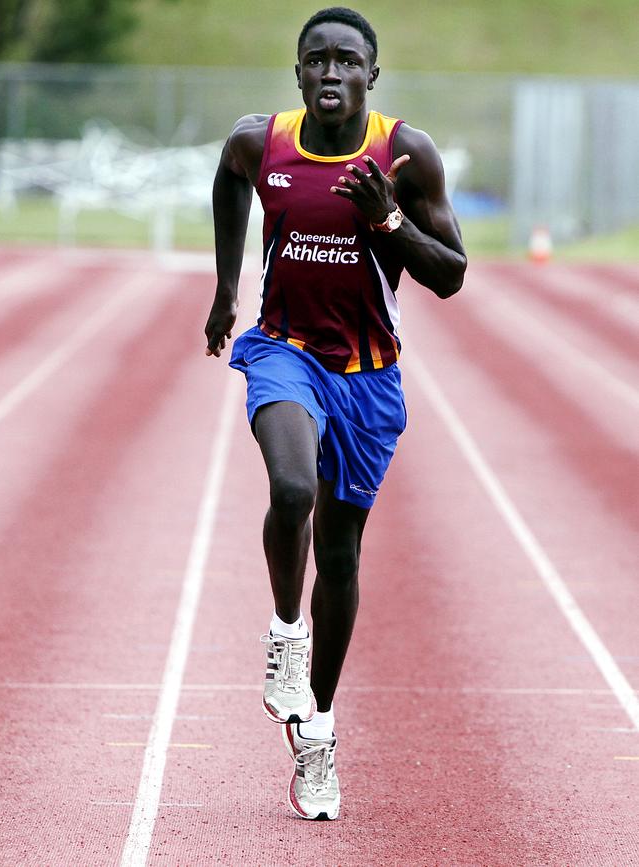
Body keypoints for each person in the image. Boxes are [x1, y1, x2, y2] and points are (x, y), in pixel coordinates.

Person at [204, 6, 466, 820]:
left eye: (346, 61)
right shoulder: (263, 143)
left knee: (342, 555)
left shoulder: (403, 153)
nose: (330, 73)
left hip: (369, 375)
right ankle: (286, 633)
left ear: (370, 77)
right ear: (297, 73)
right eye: (315, 60)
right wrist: (225, 291)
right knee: (291, 490)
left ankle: (316, 732)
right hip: (283, 350)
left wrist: (386, 215)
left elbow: (452, 274)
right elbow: (227, 179)